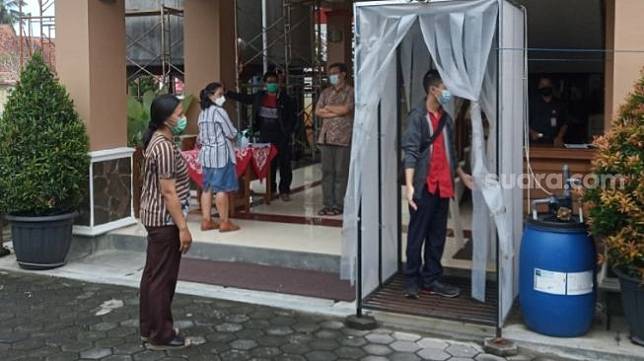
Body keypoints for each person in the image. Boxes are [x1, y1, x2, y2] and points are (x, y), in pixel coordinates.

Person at [401, 70, 474, 300]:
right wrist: (410, 186)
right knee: (417, 235)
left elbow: (451, 152)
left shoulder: (446, 119)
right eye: (444, 87)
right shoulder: (417, 117)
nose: (448, 92)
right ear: (433, 89)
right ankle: (412, 280)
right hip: (425, 186)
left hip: (443, 186)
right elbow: (411, 152)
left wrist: (462, 175)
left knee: (437, 237)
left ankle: (431, 279)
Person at [139, 94, 192, 350]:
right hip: (164, 220)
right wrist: (183, 227)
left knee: (152, 275)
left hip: (156, 218)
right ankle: (161, 334)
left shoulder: (160, 141)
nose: (183, 118)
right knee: (162, 278)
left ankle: (150, 327)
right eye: (179, 114)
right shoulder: (163, 147)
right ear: (164, 118)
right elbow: (168, 192)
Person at [226, 71, 297, 201]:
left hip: (281, 136)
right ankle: (271, 189)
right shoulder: (260, 97)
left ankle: (284, 190)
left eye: (274, 82)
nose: (272, 84)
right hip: (265, 135)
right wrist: (228, 93)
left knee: (284, 164)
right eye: (269, 82)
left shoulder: (286, 99)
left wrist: (289, 131)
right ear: (265, 84)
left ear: (279, 83)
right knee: (269, 164)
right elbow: (245, 99)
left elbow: (293, 118)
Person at [198, 82, 241, 233]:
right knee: (221, 188)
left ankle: (206, 220)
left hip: (206, 155)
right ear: (211, 96)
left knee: (207, 187)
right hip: (221, 154)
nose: (222, 98)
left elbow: (200, 137)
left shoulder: (202, 112)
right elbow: (230, 132)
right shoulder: (219, 112)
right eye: (220, 95)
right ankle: (224, 222)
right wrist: (238, 136)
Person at [315, 63, 354, 216]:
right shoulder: (326, 93)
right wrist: (337, 111)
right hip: (326, 138)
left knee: (340, 173)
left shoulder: (350, 91)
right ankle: (327, 204)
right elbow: (318, 111)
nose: (332, 76)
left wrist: (329, 108)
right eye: (330, 73)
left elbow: (347, 109)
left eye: (335, 73)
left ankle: (339, 204)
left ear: (343, 74)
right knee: (327, 172)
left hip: (343, 138)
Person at [529, 76, 569, 147]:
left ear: (551, 86)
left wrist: (559, 137)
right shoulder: (532, 103)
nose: (545, 87)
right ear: (538, 87)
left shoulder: (559, 104)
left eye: (547, 85)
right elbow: (523, 122)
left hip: (554, 143)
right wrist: (531, 132)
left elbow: (564, 123)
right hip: (534, 143)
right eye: (542, 85)